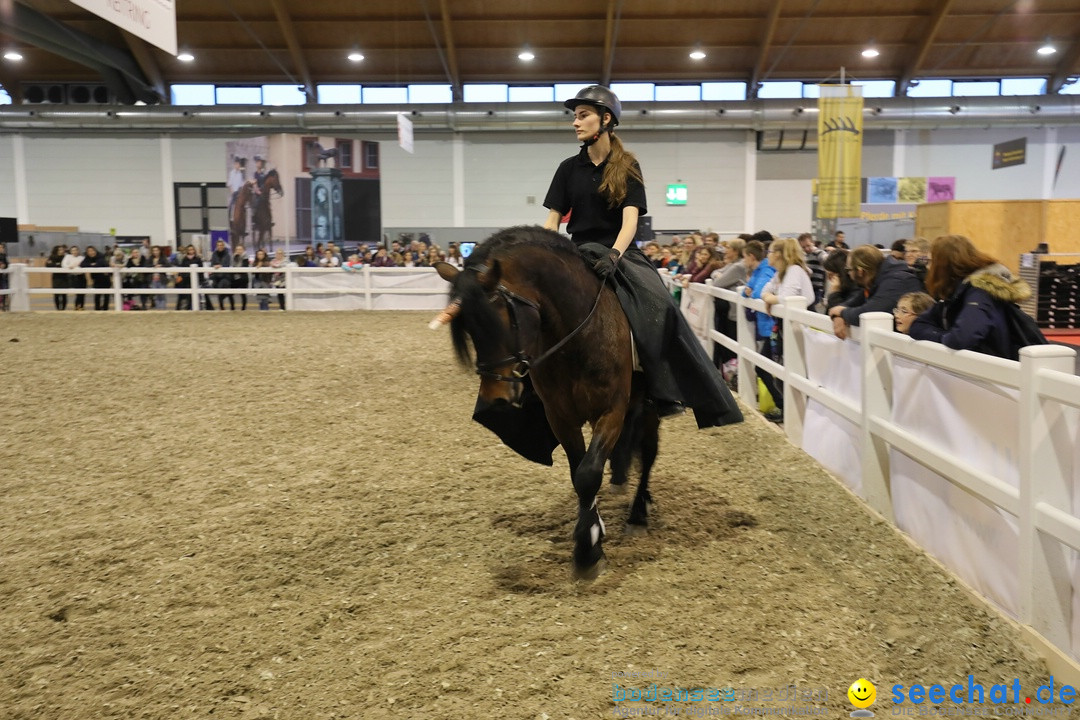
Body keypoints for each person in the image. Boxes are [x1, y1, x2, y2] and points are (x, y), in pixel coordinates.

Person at [542, 84, 741, 428]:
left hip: (619, 252)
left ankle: (660, 388)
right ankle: (533, 387)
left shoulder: (627, 166)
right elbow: (553, 219)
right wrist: (547, 254)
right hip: (576, 251)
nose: (575, 123)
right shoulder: (566, 168)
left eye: (583, 115)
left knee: (660, 306)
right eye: (575, 116)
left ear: (606, 119)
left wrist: (615, 255)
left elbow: (630, 219)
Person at [909, 235, 1039, 360]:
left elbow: (961, 338)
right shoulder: (956, 291)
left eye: (931, 261)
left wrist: (942, 336)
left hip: (993, 373)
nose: (927, 267)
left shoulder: (980, 293)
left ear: (945, 264)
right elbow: (918, 326)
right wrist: (945, 336)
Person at [758, 237, 817, 421]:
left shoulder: (794, 270)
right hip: (782, 328)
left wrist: (771, 299)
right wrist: (770, 297)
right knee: (764, 365)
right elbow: (764, 291)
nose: (767, 256)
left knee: (793, 370)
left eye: (769, 252)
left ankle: (795, 413)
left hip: (796, 328)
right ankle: (785, 407)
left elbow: (787, 297)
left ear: (777, 254)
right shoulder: (780, 273)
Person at [828, 245, 923, 340]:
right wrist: (838, 315)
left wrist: (841, 312)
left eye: (849, 270)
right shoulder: (876, 281)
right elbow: (847, 305)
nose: (848, 274)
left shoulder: (897, 281)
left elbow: (868, 314)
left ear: (860, 271)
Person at [709, 237, 748, 369]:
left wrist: (718, 276)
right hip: (730, 311)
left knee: (733, 346)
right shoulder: (732, 265)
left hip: (735, 313)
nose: (725, 251)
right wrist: (718, 275)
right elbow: (715, 273)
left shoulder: (738, 266)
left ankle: (733, 374)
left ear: (736, 251)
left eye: (729, 248)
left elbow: (717, 283)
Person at [798, 232, 827, 311]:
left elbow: (826, 259)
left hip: (817, 289)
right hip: (807, 288)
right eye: (803, 247)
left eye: (808, 245)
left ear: (813, 243)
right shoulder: (803, 256)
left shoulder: (819, 253)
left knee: (813, 310)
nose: (806, 249)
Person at [174, 244, 203, 310]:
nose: (191, 251)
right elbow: (181, 270)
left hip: (195, 281)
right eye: (189, 250)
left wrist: (201, 280)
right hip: (185, 281)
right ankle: (179, 309)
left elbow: (201, 272)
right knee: (182, 296)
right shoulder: (184, 259)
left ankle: (190, 308)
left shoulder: (198, 259)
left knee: (192, 297)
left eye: (192, 249)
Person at [83, 246, 111, 311]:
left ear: (95, 251)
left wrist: (91, 265)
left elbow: (100, 264)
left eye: (92, 251)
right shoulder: (87, 258)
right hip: (96, 279)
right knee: (97, 295)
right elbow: (82, 264)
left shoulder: (101, 256)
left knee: (106, 296)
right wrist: (91, 264)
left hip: (105, 278)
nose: (91, 252)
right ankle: (97, 309)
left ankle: (105, 309)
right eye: (89, 251)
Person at [209, 238, 233, 310]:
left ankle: (231, 307)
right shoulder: (214, 254)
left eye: (221, 245)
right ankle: (221, 307)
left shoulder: (227, 254)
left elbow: (227, 264)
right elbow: (212, 264)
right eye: (218, 245)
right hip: (216, 277)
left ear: (223, 246)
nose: (220, 246)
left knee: (227, 292)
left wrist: (220, 266)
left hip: (225, 276)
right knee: (220, 292)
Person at [63, 245, 86, 310]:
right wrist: (72, 266)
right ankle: (77, 306)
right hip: (73, 277)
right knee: (77, 292)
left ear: (78, 251)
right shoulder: (68, 257)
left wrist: (73, 266)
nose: (74, 251)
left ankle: (81, 306)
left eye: (76, 250)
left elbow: (82, 265)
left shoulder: (82, 257)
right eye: (73, 250)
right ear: (70, 251)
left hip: (81, 276)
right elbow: (64, 265)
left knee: (83, 292)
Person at [46, 245, 69, 310]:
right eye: (59, 250)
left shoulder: (66, 257)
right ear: (56, 251)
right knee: (56, 295)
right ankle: (58, 309)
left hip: (64, 278)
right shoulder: (52, 257)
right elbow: (48, 264)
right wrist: (57, 264)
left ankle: (63, 309)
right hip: (56, 278)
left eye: (62, 249)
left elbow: (66, 264)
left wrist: (56, 264)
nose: (61, 251)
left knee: (64, 295)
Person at [148, 245, 170, 310]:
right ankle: (158, 309)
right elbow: (146, 265)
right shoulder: (151, 258)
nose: (155, 252)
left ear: (159, 251)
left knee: (162, 295)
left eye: (157, 250)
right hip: (153, 279)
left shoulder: (163, 258)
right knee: (156, 296)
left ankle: (163, 309)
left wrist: (161, 265)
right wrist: (153, 265)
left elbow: (168, 265)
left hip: (161, 279)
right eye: (154, 250)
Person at [231, 245, 250, 310]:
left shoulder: (245, 258)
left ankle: (243, 308)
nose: (239, 251)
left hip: (243, 278)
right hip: (235, 277)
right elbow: (232, 266)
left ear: (243, 250)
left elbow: (245, 267)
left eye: (240, 249)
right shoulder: (233, 257)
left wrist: (236, 270)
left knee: (243, 294)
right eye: (237, 249)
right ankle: (232, 307)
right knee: (230, 292)